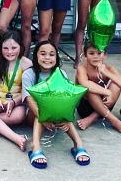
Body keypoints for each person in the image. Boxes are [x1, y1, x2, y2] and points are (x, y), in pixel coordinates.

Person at [24, 40, 89, 168]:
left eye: (51, 54)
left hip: (56, 113)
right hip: (34, 114)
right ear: (36, 56)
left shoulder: (61, 74)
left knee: (63, 109)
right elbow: (29, 100)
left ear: (56, 57)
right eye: (43, 54)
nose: (47, 57)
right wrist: (44, 119)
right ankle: (35, 146)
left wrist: (67, 119)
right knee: (41, 111)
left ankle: (78, 144)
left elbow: (68, 100)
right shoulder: (29, 74)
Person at [75, 41, 121, 135]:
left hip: (106, 105)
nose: (95, 56)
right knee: (90, 89)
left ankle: (92, 118)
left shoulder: (109, 68)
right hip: (85, 107)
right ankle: (115, 121)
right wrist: (107, 92)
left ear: (105, 55)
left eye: (99, 53)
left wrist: (107, 72)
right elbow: (84, 83)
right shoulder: (82, 68)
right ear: (85, 55)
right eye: (91, 53)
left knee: (117, 84)